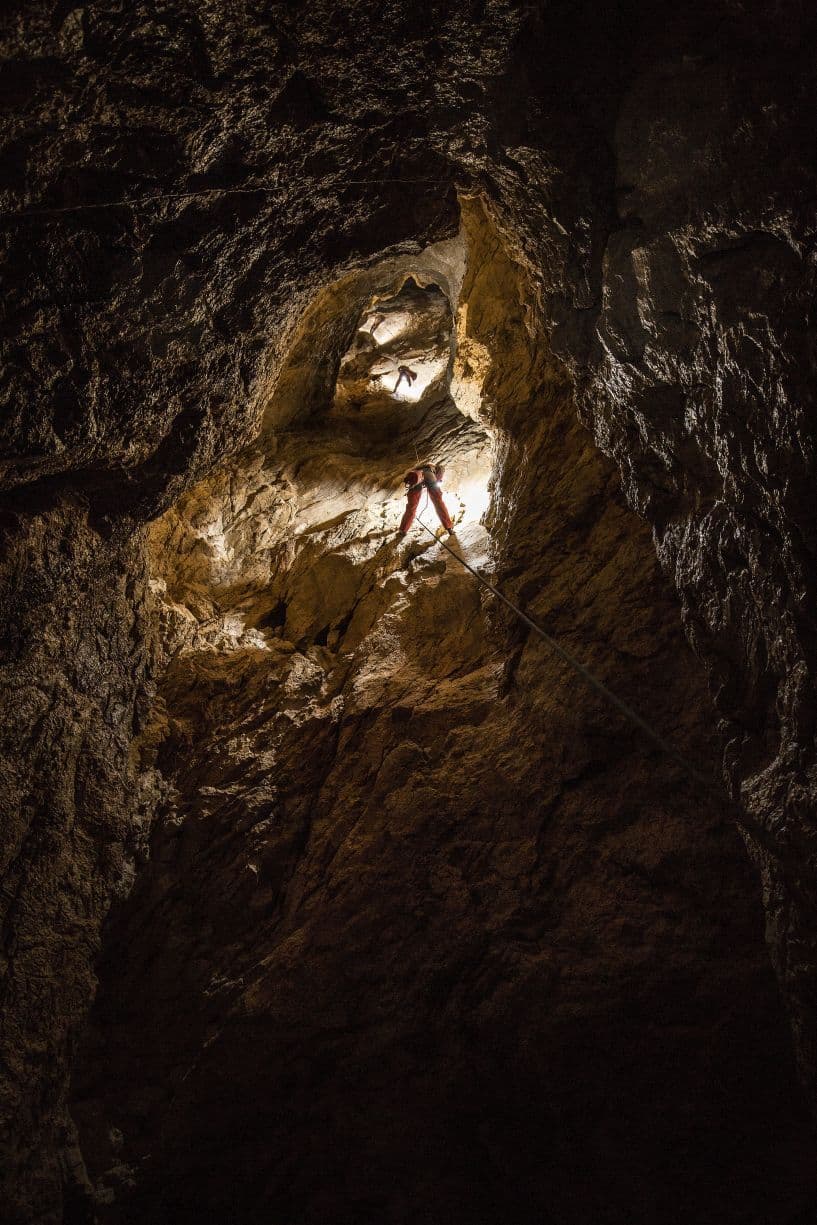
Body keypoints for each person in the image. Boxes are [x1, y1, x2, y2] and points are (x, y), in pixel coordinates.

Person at [399, 463, 454, 535]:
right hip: (429, 478)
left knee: (411, 506)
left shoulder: (421, 468)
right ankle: (449, 527)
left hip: (416, 481)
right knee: (439, 503)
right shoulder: (433, 471)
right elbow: (437, 480)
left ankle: (403, 529)